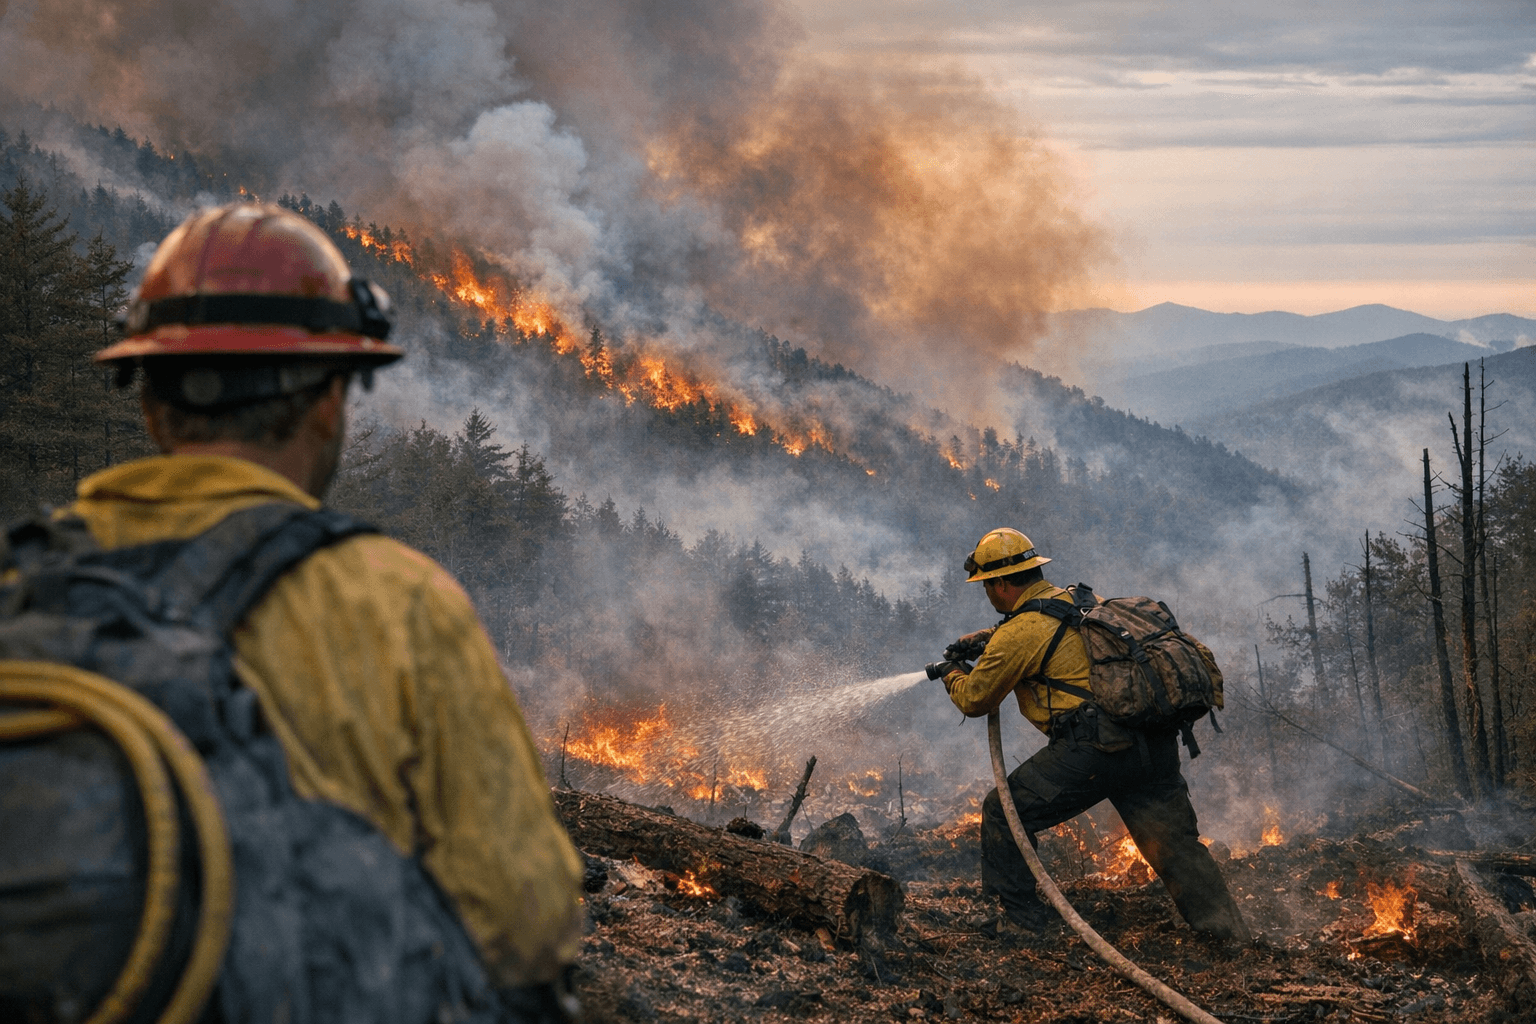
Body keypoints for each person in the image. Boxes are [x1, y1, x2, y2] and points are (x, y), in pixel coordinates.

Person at [79, 203, 586, 1016]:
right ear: (328, 404)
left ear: (150, 402)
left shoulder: (20, 586)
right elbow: (525, 922)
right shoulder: (399, 605)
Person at [937, 527, 1251, 945]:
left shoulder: (1018, 633)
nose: (988, 596)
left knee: (1004, 810)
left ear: (1002, 584)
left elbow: (975, 699)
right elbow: (1058, 635)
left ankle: (1020, 923)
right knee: (1176, 845)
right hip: (1151, 742)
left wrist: (952, 674)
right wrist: (988, 638)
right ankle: (1231, 936)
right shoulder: (1080, 599)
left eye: (987, 587)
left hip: (1096, 749)